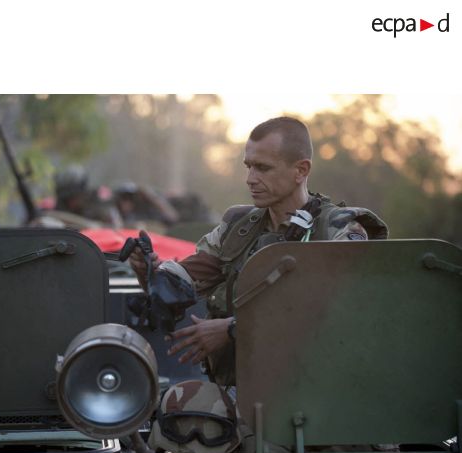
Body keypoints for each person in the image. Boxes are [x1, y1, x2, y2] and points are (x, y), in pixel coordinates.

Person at [130, 116, 388, 386]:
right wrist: (149, 271)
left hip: (316, 393)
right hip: (242, 389)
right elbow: (185, 279)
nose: (250, 179)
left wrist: (232, 330)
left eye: (263, 168)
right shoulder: (239, 229)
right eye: (249, 167)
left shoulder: (338, 229)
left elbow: (341, 308)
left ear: (301, 170)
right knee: (169, 412)